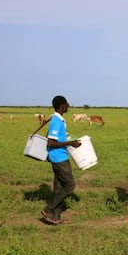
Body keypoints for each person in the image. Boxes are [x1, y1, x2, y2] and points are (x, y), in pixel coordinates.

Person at [41, 95, 81, 225]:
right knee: (70, 185)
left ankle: (55, 217)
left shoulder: (58, 120)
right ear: (62, 105)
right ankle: (49, 209)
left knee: (59, 188)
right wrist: (70, 143)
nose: (68, 105)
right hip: (59, 158)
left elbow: (55, 137)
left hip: (60, 156)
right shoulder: (56, 121)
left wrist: (70, 141)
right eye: (66, 103)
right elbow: (51, 143)